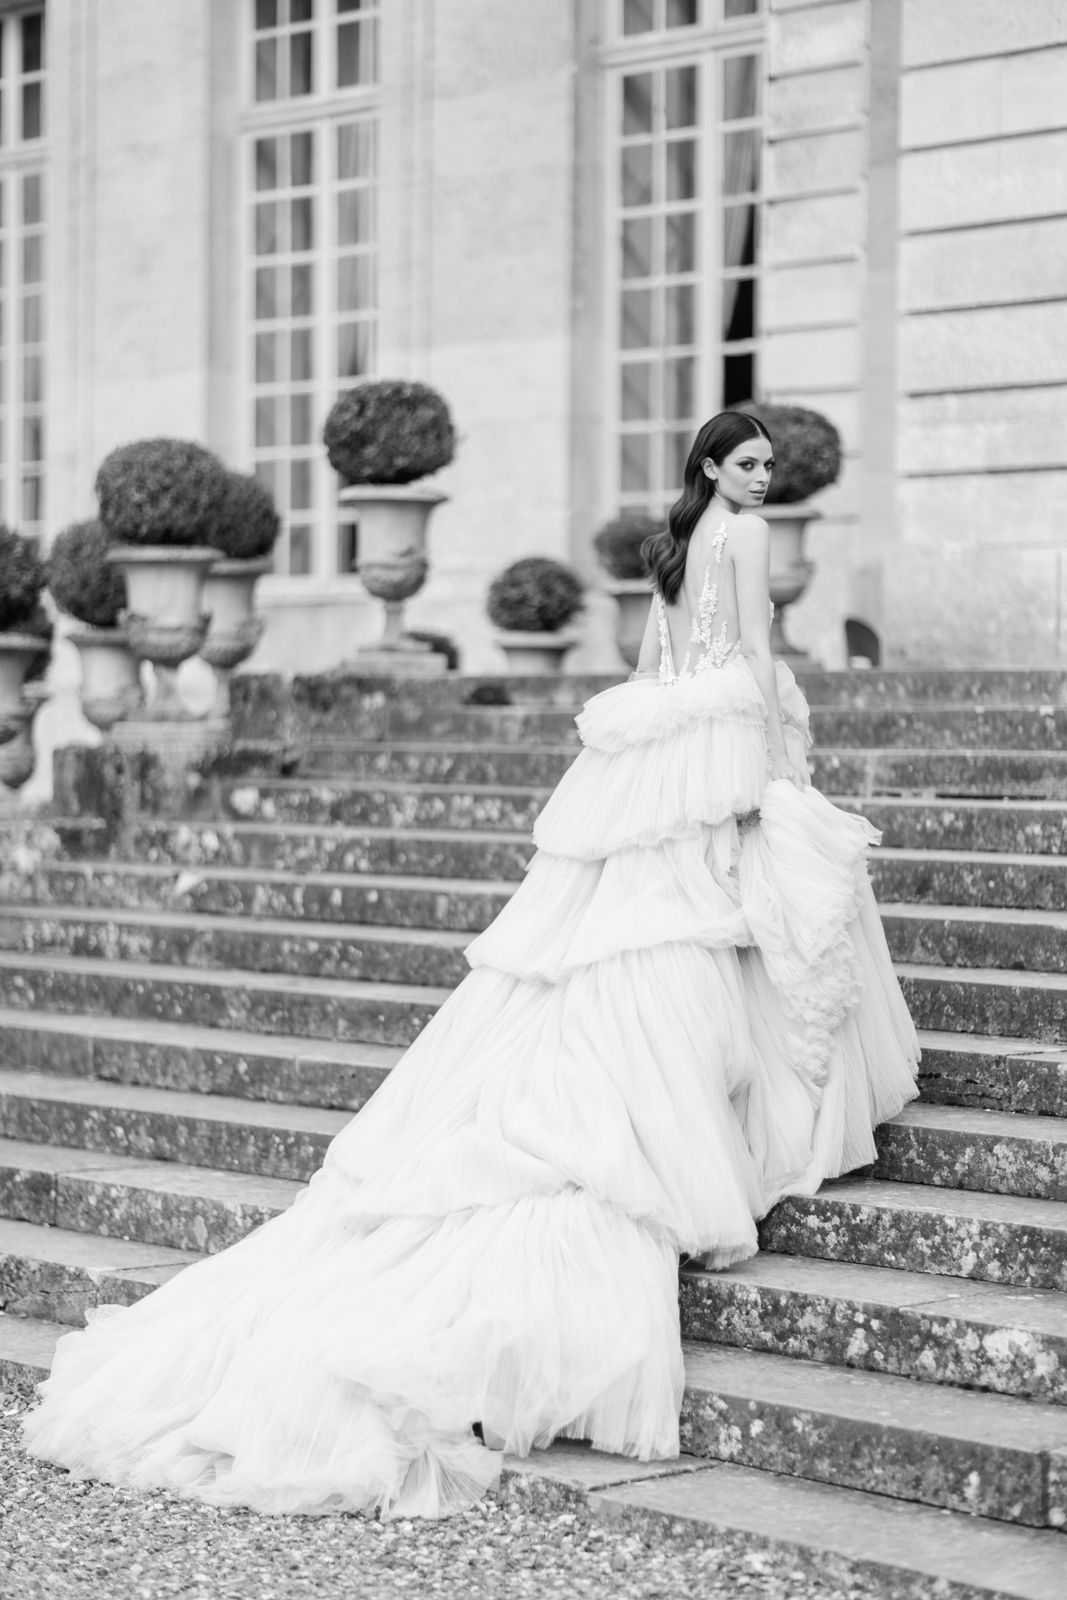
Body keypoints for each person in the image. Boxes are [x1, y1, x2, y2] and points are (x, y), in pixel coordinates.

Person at [22, 410, 919, 1521]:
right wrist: (780, 749)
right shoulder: (735, 539)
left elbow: (652, 659)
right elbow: (750, 654)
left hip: (662, 737)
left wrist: (667, 729)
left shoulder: (678, 542)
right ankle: (713, 1124)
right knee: (713, 917)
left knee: (649, 927)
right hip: (720, 732)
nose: (762, 479)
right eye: (747, 464)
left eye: (767, 467)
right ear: (710, 466)